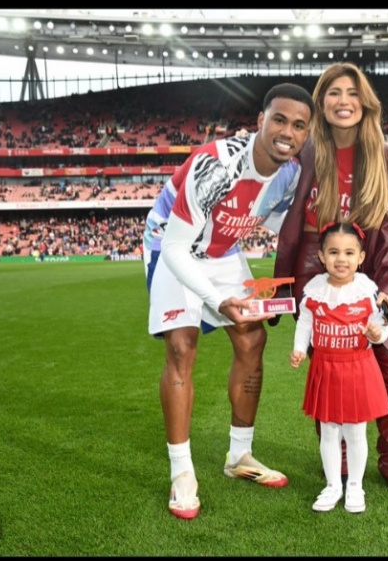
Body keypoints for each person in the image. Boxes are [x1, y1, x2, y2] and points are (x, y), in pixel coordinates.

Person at [143, 83, 314, 519]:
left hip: (221, 250)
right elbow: (177, 247)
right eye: (279, 120)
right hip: (172, 243)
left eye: (299, 126)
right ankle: (182, 472)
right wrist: (217, 299)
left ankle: (240, 456)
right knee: (181, 346)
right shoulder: (217, 165)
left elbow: (281, 224)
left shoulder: (291, 173)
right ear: (260, 120)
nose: (287, 132)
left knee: (252, 339)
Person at [273, 62, 388, 496]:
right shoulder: (304, 156)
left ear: (365, 102)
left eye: (353, 93)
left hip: (369, 265)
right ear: (321, 103)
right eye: (334, 92)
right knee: (328, 365)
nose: (343, 101)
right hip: (314, 266)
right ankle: (335, 457)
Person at [290, 222, 388, 513]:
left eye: (349, 252)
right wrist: (299, 349)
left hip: (357, 367)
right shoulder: (314, 290)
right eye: (333, 252)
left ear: (360, 257)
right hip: (325, 368)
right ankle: (333, 485)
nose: (341, 259)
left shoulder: (367, 290)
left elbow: (382, 326)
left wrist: (377, 334)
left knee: (355, 432)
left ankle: (355, 485)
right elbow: (305, 321)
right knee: (329, 431)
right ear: (322, 256)